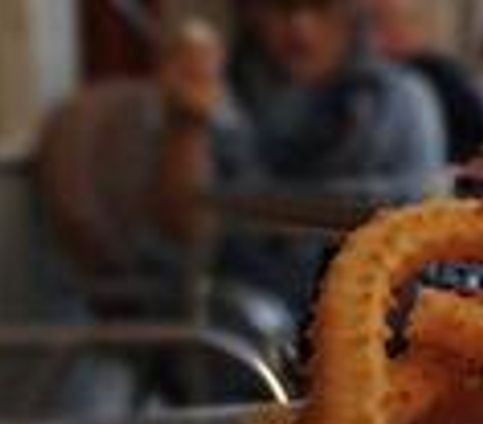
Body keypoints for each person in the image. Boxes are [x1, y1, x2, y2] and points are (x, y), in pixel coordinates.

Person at [153, 0, 445, 311]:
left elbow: (411, 239)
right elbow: (183, 228)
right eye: (281, 7)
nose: (300, 26)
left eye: (321, 6)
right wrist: (186, 125)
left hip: (358, 314)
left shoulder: (401, 103)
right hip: (234, 316)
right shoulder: (221, 97)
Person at [365, 0, 483, 164]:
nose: (374, 36)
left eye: (382, 22)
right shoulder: (366, 79)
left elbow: (481, 137)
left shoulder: (443, 77)